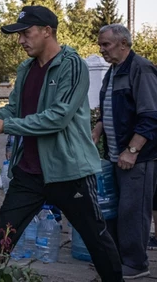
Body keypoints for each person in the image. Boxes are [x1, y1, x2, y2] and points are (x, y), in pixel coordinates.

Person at [0, 5, 123, 282]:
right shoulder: (26, 68)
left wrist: (6, 126)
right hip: (29, 172)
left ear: (47, 31)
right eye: (19, 34)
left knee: (96, 238)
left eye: (26, 32)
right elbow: (14, 111)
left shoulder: (72, 65)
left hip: (69, 171)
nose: (21, 40)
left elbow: (58, 117)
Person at [92, 23, 157, 279]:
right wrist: (97, 129)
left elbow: (151, 116)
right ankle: (120, 258)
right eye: (101, 45)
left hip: (139, 157)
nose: (102, 49)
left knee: (133, 210)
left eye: (106, 44)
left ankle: (137, 264)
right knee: (118, 208)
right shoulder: (113, 71)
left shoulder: (140, 68)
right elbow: (107, 107)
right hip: (117, 154)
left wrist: (132, 150)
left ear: (124, 44)